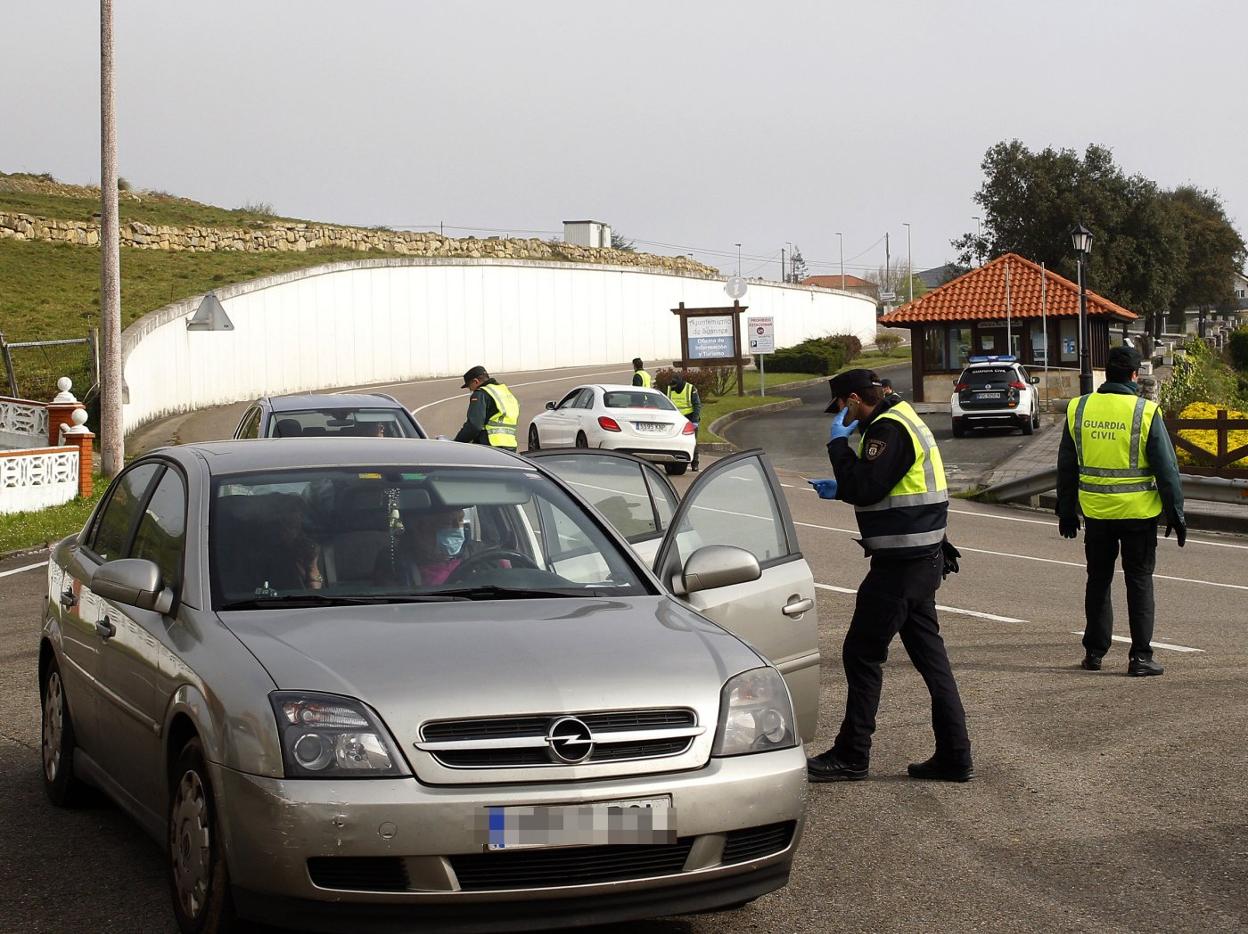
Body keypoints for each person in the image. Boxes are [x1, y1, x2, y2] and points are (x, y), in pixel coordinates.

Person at [805, 368, 973, 783]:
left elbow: (868, 487)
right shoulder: (902, 418)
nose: (843, 416)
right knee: (933, 664)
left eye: (843, 408)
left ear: (855, 401)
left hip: (901, 565)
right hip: (921, 559)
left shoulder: (888, 428)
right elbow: (881, 486)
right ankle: (955, 756)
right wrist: (840, 487)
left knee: (861, 654)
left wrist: (837, 446)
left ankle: (852, 754)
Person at [1056, 344, 1185, 676]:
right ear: (1133, 375)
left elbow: (1066, 466)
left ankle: (1094, 654)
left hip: (1097, 514)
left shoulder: (1078, 409)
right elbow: (1166, 469)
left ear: (1106, 373)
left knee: (1098, 581)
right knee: (1139, 581)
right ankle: (1140, 658)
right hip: (1139, 516)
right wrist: (1176, 512)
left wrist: (1066, 510)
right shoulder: (1144, 412)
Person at [454, 365, 519, 448]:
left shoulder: (480, 394)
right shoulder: (504, 392)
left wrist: (457, 443)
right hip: (510, 445)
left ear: (476, 381)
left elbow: (474, 426)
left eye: (470, 387)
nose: (471, 390)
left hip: (490, 445)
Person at [666, 372, 702, 471]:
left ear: (680, 383)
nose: (673, 388)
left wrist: (695, 421)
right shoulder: (670, 388)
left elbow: (697, 405)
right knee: (673, 441)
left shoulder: (690, 388)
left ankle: (695, 463)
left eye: (675, 386)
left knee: (692, 441)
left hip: (689, 418)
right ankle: (673, 463)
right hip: (675, 419)